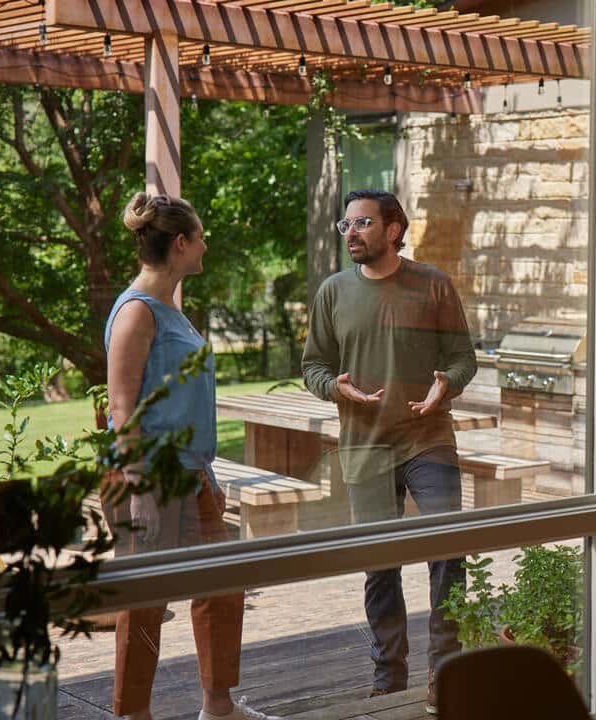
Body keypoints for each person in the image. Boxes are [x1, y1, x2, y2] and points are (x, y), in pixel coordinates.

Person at [104, 192, 280, 720]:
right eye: (201, 237)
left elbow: (184, 403)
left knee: (222, 583)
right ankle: (132, 714)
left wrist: (208, 473)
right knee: (146, 599)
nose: (206, 245)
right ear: (180, 244)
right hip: (151, 476)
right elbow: (121, 408)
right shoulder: (136, 312)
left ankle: (218, 707)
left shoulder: (171, 309)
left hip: (189, 473)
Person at [302, 189, 477, 715]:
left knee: (448, 551)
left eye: (362, 223)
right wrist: (336, 389)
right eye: (346, 225)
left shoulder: (434, 284)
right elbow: (313, 367)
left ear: (393, 229)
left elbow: (463, 358)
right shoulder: (333, 292)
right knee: (380, 566)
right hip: (364, 445)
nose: (351, 233)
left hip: (429, 437)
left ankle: (445, 672)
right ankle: (389, 678)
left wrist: (446, 384)